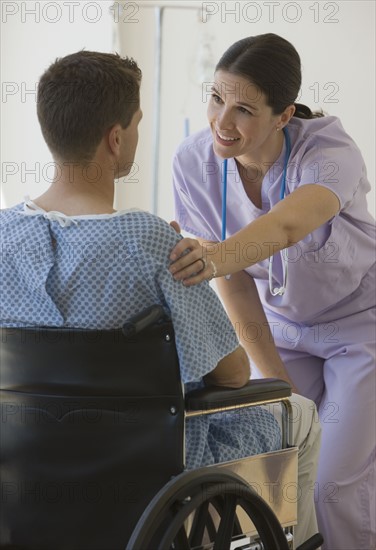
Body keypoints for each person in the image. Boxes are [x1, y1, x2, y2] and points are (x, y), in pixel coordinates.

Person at [0, 50, 321, 547]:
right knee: (297, 412)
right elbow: (232, 374)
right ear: (115, 139)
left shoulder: (4, 237)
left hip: (26, 479)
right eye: (136, 123)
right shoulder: (153, 244)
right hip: (158, 487)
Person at [169, 33, 376, 549]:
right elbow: (235, 283)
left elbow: (285, 227)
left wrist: (213, 254)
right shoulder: (194, 161)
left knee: (333, 485)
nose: (222, 121)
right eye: (216, 97)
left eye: (243, 110)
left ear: (283, 116)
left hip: (360, 327)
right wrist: (280, 386)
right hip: (280, 329)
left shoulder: (329, 151)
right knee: (283, 474)